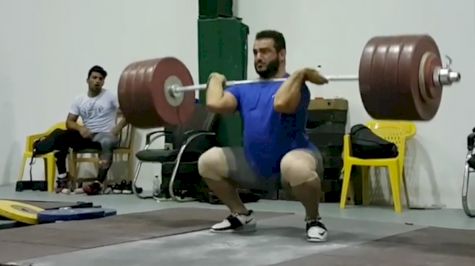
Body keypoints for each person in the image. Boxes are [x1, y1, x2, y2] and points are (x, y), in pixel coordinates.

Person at [197, 30, 329, 242]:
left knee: (295, 167)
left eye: (265, 51)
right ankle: (241, 215)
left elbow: (281, 104)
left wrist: (299, 74)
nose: (258, 57)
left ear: (282, 55)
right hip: (255, 164)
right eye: (256, 52)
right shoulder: (245, 89)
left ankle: (313, 219)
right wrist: (215, 78)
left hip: (294, 159)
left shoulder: (296, 86)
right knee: (208, 161)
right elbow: (214, 104)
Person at [54, 65, 127, 195]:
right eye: (94, 77)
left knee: (106, 142)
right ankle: (62, 178)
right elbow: (69, 122)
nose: (97, 81)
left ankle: (98, 183)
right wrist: (80, 128)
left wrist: (116, 129)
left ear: (103, 81)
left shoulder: (110, 96)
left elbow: (129, 114)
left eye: (100, 78)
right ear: (87, 80)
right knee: (62, 136)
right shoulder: (79, 99)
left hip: (105, 135)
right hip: (88, 136)